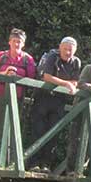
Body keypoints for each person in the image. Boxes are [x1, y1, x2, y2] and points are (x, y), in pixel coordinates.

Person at [27, 36, 81, 170]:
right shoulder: (52, 56)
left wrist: (71, 84)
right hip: (43, 97)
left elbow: (75, 81)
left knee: (53, 132)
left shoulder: (76, 62)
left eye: (70, 50)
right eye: (65, 49)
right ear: (60, 47)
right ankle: (33, 163)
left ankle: (46, 164)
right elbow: (46, 76)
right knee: (38, 130)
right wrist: (66, 83)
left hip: (59, 100)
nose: (68, 52)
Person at [0, 28, 36, 166]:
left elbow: (31, 80)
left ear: (23, 44)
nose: (17, 44)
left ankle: (6, 162)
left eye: (19, 42)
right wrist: (5, 73)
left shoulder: (28, 60)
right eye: (14, 41)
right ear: (9, 42)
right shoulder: (2, 56)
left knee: (12, 129)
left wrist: (18, 78)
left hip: (17, 99)